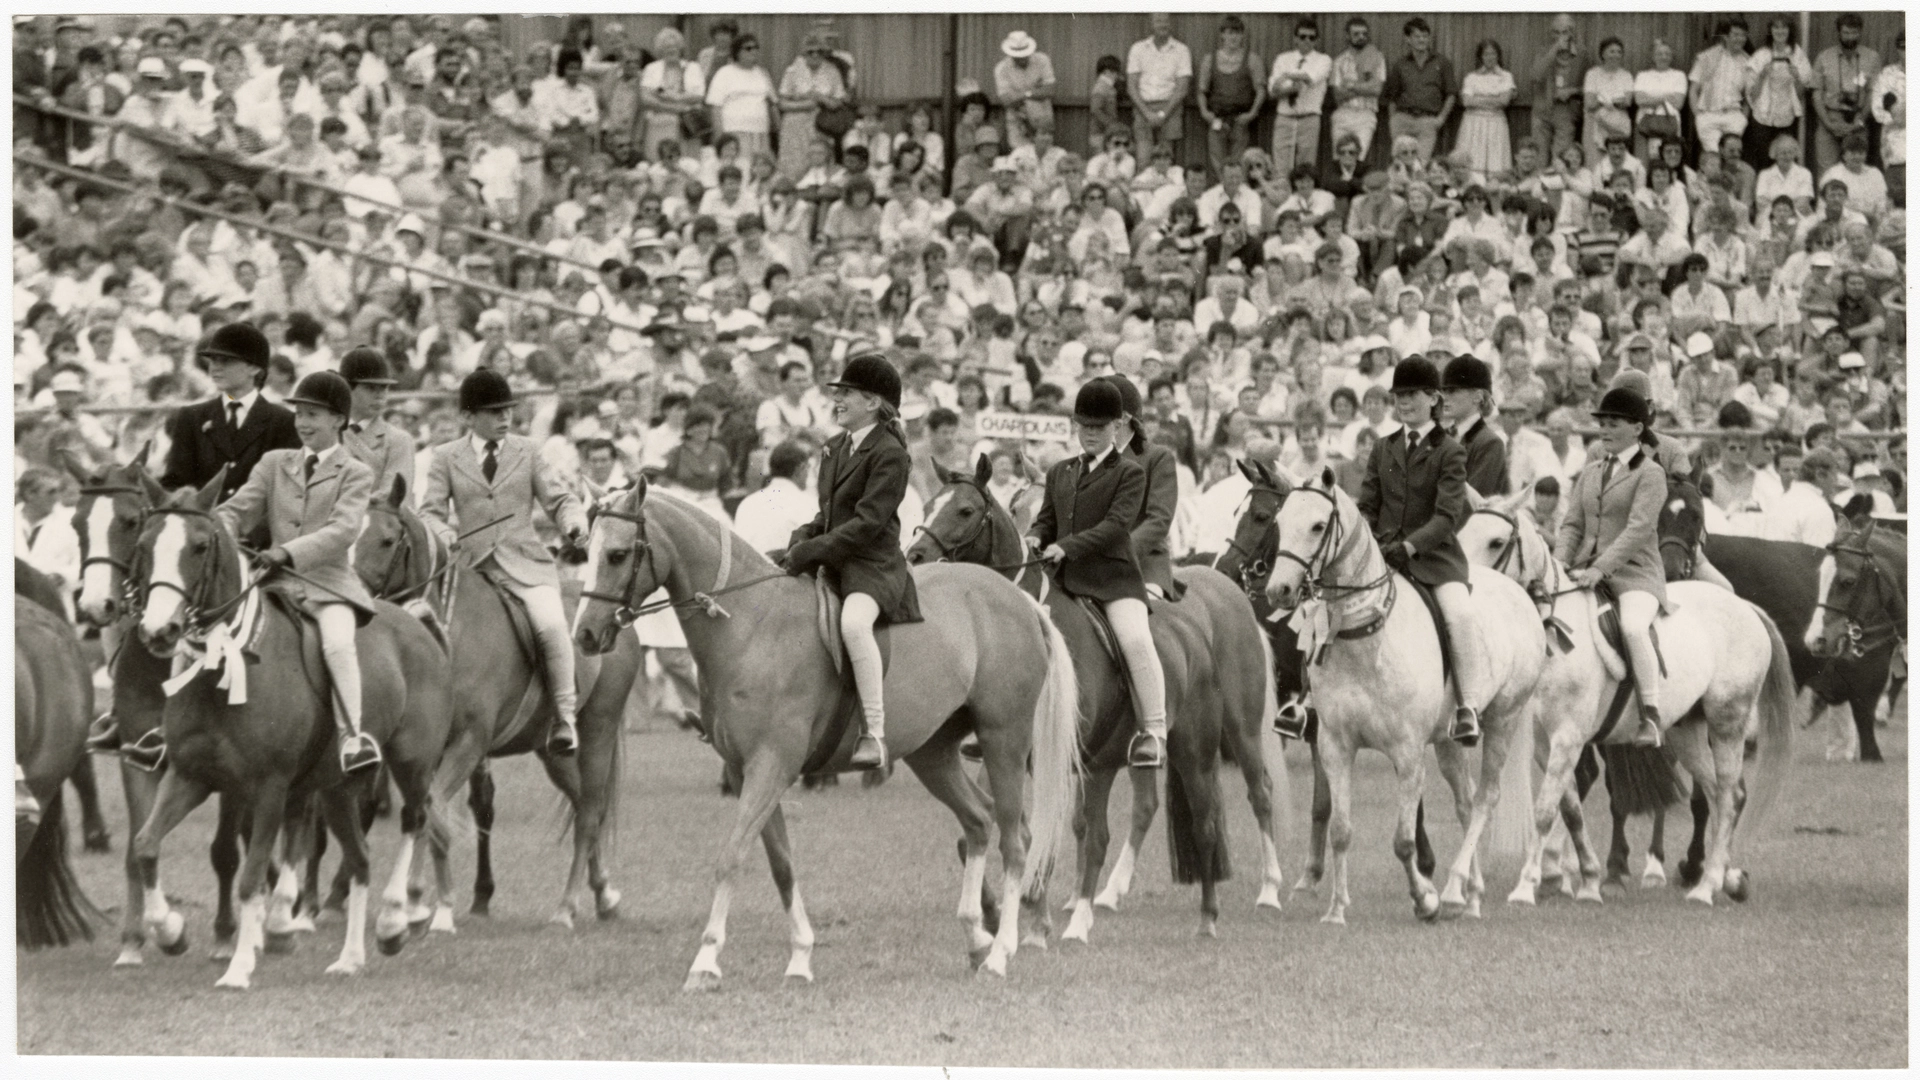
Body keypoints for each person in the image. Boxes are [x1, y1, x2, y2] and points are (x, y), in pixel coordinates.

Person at [215, 371, 383, 774]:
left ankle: (352, 738)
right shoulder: (274, 463)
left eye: (313, 415)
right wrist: (210, 527)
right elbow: (239, 509)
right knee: (207, 629)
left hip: (327, 584)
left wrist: (287, 553)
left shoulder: (356, 472)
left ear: (339, 420)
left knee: (338, 645)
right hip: (270, 583)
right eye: (300, 415)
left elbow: (342, 531)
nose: (303, 423)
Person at [420, 369, 588, 757]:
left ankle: (564, 717)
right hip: (470, 569)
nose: (505, 419)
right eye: (494, 412)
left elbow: (560, 499)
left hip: (525, 564)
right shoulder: (445, 457)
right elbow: (429, 511)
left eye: (508, 411)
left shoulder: (528, 450)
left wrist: (574, 523)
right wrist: (444, 534)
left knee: (550, 624)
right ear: (467, 417)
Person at [781, 352, 922, 770]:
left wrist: (813, 550)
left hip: (870, 565)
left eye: (846, 394)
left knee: (854, 625)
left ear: (873, 403)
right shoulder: (833, 447)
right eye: (838, 393)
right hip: (834, 557)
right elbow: (826, 515)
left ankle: (873, 733)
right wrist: (801, 538)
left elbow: (867, 523)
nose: (837, 400)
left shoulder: (890, 453)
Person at [1028, 379, 1168, 768]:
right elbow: (1046, 519)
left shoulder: (1128, 473)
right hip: (1062, 579)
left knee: (1136, 640)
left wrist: (1066, 546)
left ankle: (1154, 730)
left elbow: (1116, 527)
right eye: (1084, 426)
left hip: (1112, 581)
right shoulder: (1059, 471)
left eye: (1099, 427)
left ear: (1116, 427)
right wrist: (1035, 536)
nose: (1090, 434)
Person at [1358, 356, 1487, 745]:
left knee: (1460, 615)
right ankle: (1307, 700)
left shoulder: (1450, 450)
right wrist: (1368, 540)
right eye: (1399, 395)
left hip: (1434, 559)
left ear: (1433, 399)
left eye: (1411, 394)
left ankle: (1469, 707)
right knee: (1326, 604)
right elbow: (1367, 504)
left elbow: (1447, 516)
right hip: (1382, 558)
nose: (1403, 401)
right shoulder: (1383, 448)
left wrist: (1410, 546)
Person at [1556, 382, 1668, 748]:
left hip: (1635, 575)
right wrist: (1558, 565)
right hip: (1584, 571)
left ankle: (1651, 714)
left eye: (1613, 423)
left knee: (1634, 628)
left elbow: (1638, 530)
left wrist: (1600, 569)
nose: (1604, 429)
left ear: (1637, 428)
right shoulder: (1590, 471)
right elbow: (1572, 524)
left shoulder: (1650, 473)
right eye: (1602, 422)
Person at [159, 321, 302, 510]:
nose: (214, 368)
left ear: (254, 368)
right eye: (212, 361)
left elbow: (288, 490)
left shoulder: (283, 422)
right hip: (203, 530)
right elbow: (174, 483)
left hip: (258, 534)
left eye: (226, 361)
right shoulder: (191, 418)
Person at [1104, 374, 1182, 602]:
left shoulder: (1157, 457)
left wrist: (1118, 555)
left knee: (1135, 638)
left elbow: (1158, 521)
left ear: (1125, 416)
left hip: (1143, 566)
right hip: (1090, 568)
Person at [338, 346, 413, 504]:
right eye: (370, 388)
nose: (379, 395)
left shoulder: (399, 440)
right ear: (346, 388)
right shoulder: (329, 432)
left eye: (384, 388)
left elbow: (393, 498)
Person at [1383, 18, 1456, 161]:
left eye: (1425, 36)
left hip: (1427, 121)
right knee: (1400, 163)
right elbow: (1392, 97)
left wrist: (1440, 119)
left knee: (1421, 163)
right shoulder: (1400, 65)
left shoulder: (1442, 62)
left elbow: (1451, 94)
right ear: (1408, 39)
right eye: (1417, 36)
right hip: (1403, 119)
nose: (1422, 40)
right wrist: (1393, 120)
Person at [1265, 17, 1327, 179]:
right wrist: (1289, 87)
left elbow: (1309, 78)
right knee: (1280, 167)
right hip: (1284, 117)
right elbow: (1272, 90)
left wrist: (1285, 77)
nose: (1307, 41)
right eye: (1303, 36)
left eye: (1311, 37)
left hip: (1309, 118)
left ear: (1317, 40)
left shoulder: (1323, 60)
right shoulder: (1282, 59)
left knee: (1306, 168)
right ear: (1295, 38)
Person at [732, 440, 817, 555]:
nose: (808, 474)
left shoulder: (747, 503)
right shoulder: (809, 505)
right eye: (808, 468)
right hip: (783, 571)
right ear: (800, 469)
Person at [1126, 13, 1192, 159]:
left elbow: (1182, 88)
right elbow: (1131, 86)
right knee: (1143, 160)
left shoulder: (1181, 50)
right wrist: (1147, 113)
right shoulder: (1138, 49)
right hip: (1143, 108)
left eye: (1166, 21)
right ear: (1151, 24)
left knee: (1165, 160)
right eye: (1158, 21)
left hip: (1170, 108)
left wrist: (1163, 114)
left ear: (1171, 24)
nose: (1163, 25)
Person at [1440, 354, 1506, 497]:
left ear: (1477, 397)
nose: (1444, 397)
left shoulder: (1490, 443)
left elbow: (1474, 501)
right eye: (1443, 391)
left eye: (1452, 390)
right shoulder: (1440, 436)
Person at [1331, 16, 1387, 162]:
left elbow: (1376, 90)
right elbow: (1337, 95)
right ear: (1347, 36)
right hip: (1343, 114)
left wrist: (1351, 85)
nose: (1361, 37)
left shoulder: (1377, 58)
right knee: (1340, 159)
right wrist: (1365, 87)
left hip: (1365, 114)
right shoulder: (1339, 61)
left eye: (1364, 34)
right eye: (1356, 34)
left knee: (1358, 159)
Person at [1456, 40, 1515, 179]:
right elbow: (1467, 101)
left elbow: (1504, 101)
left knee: (1496, 163)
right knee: (1473, 160)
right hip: (1473, 124)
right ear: (1480, 57)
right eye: (1486, 54)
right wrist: (1493, 99)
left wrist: (1479, 99)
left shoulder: (1506, 76)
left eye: (1493, 53)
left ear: (1498, 56)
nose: (1490, 57)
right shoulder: (1471, 77)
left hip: (1496, 123)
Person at [994, 30, 1057, 150]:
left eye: (1024, 54)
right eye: (1017, 55)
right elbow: (1006, 100)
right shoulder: (1001, 68)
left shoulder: (1042, 60)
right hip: (1017, 120)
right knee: (1019, 155)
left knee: (1045, 152)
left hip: (1042, 118)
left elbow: (1050, 90)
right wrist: (1036, 91)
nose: (1022, 57)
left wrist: (1023, 95)